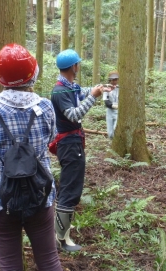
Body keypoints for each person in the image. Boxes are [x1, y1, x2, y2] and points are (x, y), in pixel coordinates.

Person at [0, 43, 62, 271]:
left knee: (9, 263)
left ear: (1, 78)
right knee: (49, 259)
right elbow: (52, 136)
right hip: (39, 193)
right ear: (32, 75)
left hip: (0, 198)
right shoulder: (46, 107)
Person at [50, 49, 111, 252]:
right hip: (69, 145)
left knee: (69, 186)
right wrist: (93, 97)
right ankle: (62, 239)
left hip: (73, 143)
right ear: (73, 67)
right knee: (70, 189)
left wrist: (98, 88)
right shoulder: (59, 91)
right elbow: (74, 115)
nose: (79, 67)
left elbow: (80, 91)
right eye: (78, 64)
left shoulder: (69, 86)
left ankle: (62, 227)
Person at [103, 71, 119, 139]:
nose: (113, 81)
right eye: (112, 80)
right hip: (110, 111)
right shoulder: (107, 87)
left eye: (115, 79)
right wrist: (113, 106)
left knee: (116, 128)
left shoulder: (120, 88)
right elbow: (106, 101)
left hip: (119, 111)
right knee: (110, 133)